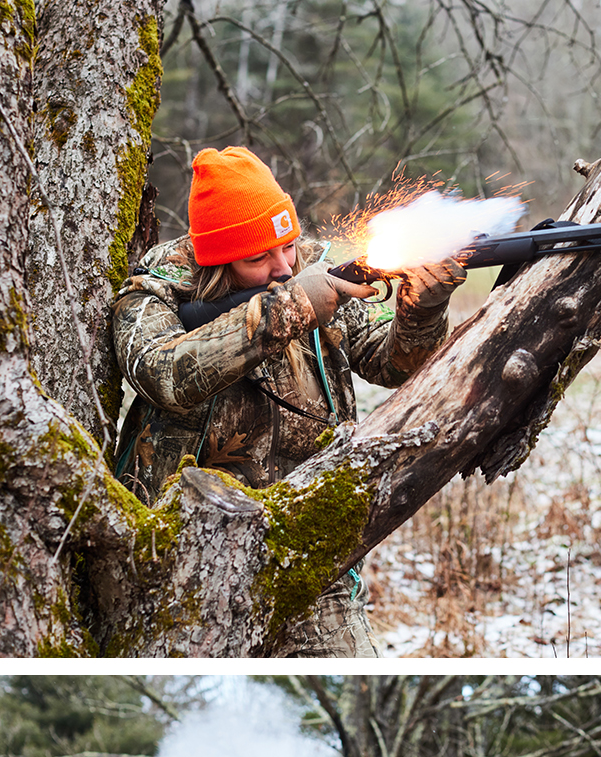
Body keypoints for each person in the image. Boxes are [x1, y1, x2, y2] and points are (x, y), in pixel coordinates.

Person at [111, 148, 467, 656]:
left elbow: (389, 365)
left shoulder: (320, 269)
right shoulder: (157, 292)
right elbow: (163, 374)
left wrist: (422, 312)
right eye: (259, 258)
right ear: (219, 259)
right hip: (183, 556)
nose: (284, 267)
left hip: (309, 547)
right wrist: (291, 308)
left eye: (289, 246)